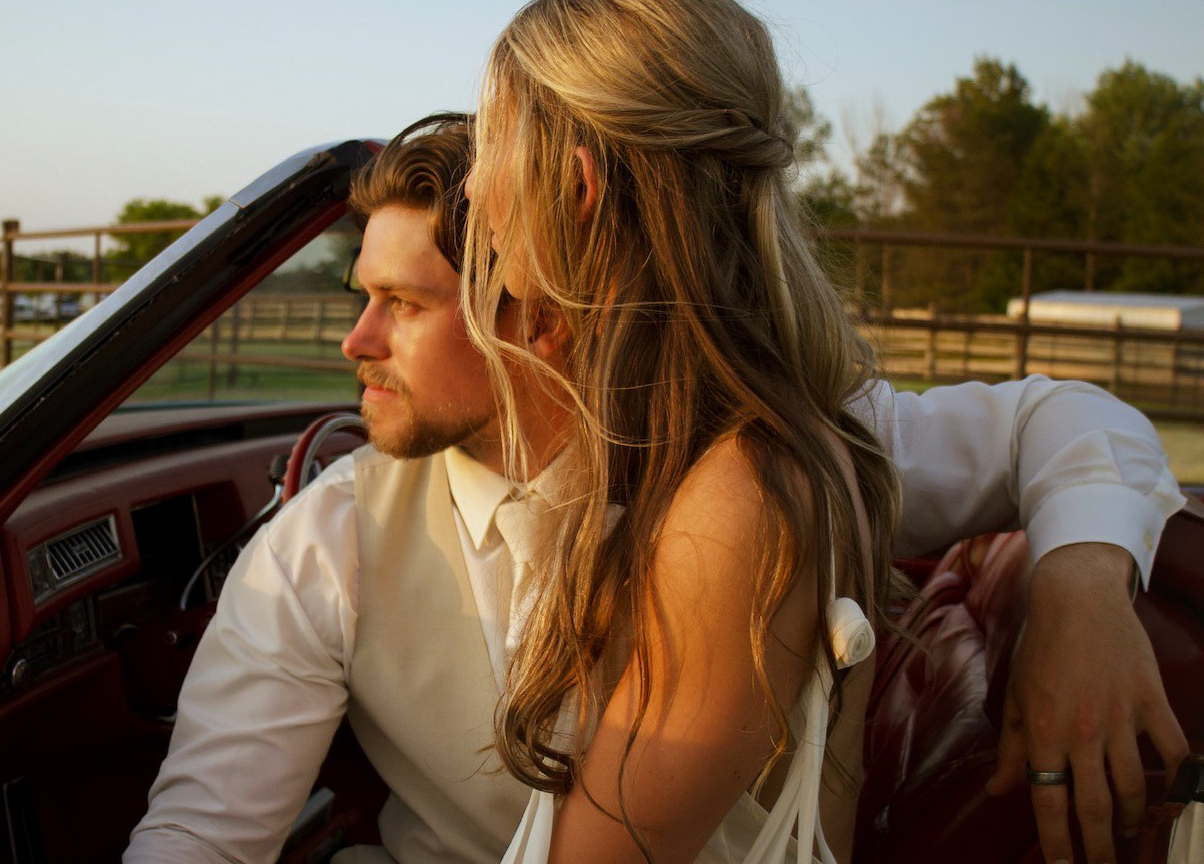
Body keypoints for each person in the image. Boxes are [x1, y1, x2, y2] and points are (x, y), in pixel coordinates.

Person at [123, 115, 1186, 864]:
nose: (357, 343)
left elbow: (1067, 420)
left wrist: (1084, 593)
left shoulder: (790, 453)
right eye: (364, 298)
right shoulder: (322, 546)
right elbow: (203, 840)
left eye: (403, 304)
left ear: (531, 309)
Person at [458, 2, 1190, 862]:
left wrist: (1082, 593)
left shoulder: (748, 485)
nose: (471, 187)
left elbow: (1056, 416)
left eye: (489, 146)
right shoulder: (685, 437)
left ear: (577, 186)